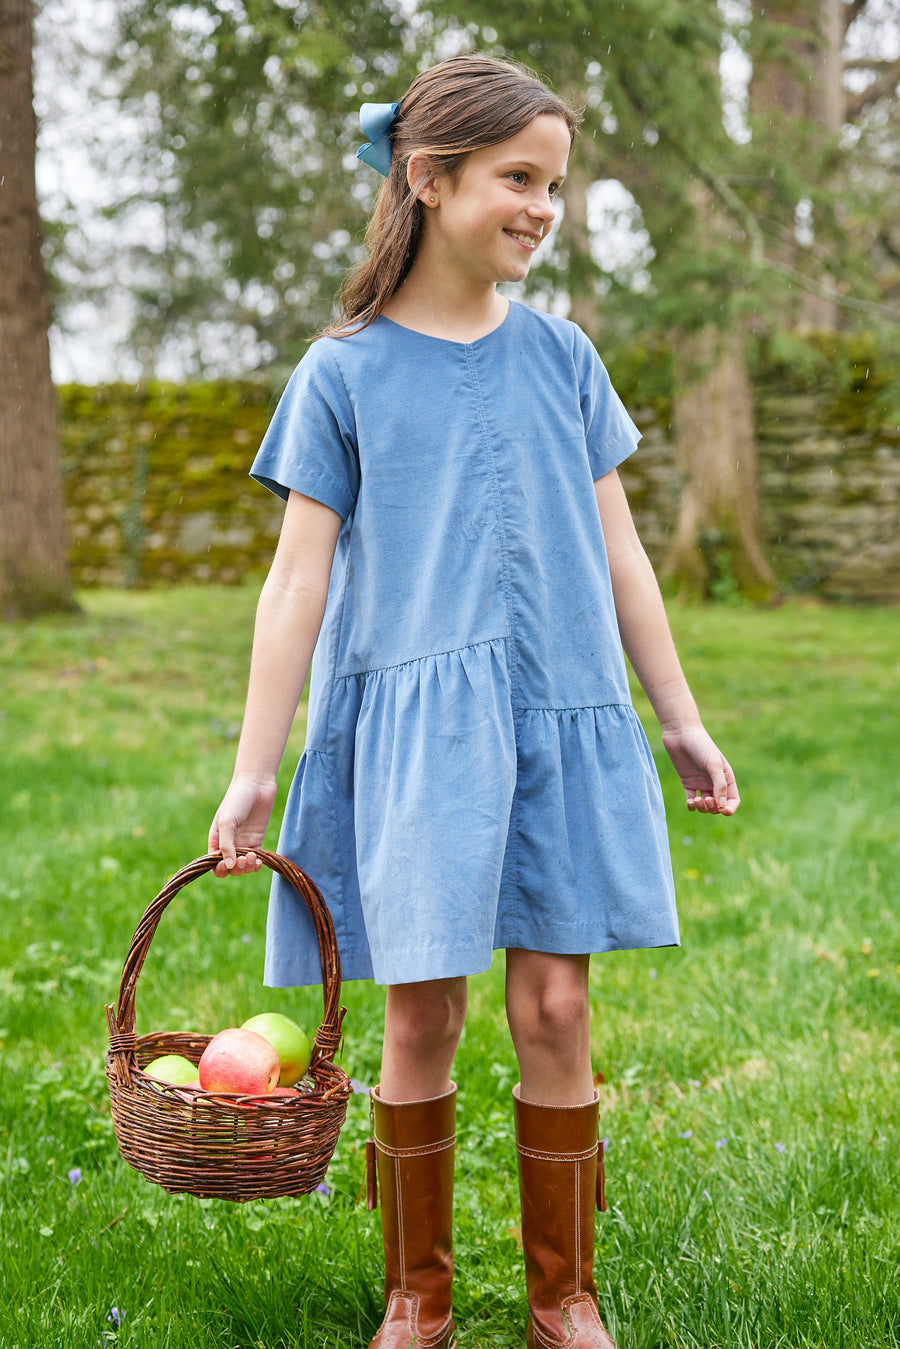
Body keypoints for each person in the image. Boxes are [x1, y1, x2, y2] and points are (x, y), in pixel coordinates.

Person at [209, 52, 739, 1349]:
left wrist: (676, 711)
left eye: (553, 183)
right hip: (413, 739)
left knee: (557, 1003)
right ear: (429, 179)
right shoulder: (342, 373)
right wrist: (253, 765)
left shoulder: (561, 357)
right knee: (422, 1007)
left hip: (555, 714)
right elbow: (295, 583)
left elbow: (620, 552)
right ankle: (419, 1293)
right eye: (519, 178)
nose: (543, 206)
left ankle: (564, 1294)